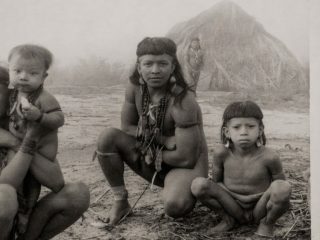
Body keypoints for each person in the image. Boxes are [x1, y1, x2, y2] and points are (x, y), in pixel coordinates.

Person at [0, 65, 90, 240]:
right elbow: (1, 184)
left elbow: (56, 182)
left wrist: (16, 142)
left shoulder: (21, 131)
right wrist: (26, 143)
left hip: (20, 221)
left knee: (78, 193)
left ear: (11, 96)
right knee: (3, 195)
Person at [95, 37, 208, 226]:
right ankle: (121, 201)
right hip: (154, 153)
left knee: (175, 206)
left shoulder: (183, 99)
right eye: (148, 64)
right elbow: (127, 127)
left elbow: (186, 157)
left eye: (162, 63)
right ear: (139, 67)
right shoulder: (135, 88)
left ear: (173, 67)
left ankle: (180, 188)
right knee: (107, 137)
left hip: (186, 167)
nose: (155, 70)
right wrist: (160, 140)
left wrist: (149, 146)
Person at [191, 101, 291, 238]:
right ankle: (228, 219)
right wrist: (238, 197)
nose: (244, 132)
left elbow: (280, 188)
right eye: (237, 127)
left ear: (260, 130)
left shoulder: (270, 157)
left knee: (283, 188)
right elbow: (216, 183)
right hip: (232, 205)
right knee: (199, 185)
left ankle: (267, 223)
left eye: (250, 126)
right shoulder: (221, 153)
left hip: (259, 206)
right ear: (227, 131)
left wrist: (258, 198)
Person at [6, 44, 65, 228]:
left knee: (31, 183)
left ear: (43, 77)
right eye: (17, 71)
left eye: (32, 73)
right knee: (17, 179)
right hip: (24, 148)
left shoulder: (44, 98)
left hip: (41, 151)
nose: (23, 76)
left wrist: (39, 116)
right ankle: (16, 209)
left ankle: (27, 211)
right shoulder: (13, 94)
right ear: (9, 70)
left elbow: (59, 118)